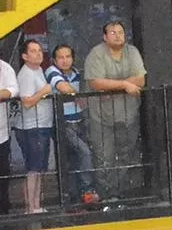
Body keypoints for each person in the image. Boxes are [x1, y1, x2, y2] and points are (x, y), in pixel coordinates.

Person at [83, 21, 147, 199]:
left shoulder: (132, 51)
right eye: (112, 32)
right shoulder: (96, 53)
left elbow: (141, 80)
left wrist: (112, 85)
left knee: (127, 155)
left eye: (120, 32)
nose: (118, 35)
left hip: (129, 115)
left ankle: (121, 194)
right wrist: (125, 84)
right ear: (104, 36)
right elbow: (96, 83)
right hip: (101, 117)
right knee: (104, 157)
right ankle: (106, 195)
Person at [45, 45, 99, 205]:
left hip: (79, 121)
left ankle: (74, 197)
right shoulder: (51, 71)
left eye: (68, 56)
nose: (65, 60)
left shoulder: (76, 73)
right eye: (60, 57)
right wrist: (77, 97)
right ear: (54, 60)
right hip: (63, 123)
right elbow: (64, 88)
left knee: (74, 160)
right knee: (84, 153)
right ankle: (86, 191)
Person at [13, 39, 53, 214]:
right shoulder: (26, 74)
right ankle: (31, 206)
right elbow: (27, 102)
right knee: (33, 168)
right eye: (33, 51)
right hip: (31, 127)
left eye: (39, 50)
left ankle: (36, 204)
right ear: (24, 56)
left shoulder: (39, 70)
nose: (38, 53)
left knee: (39, 168)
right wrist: (43, 92)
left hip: (42, 125)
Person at [0, 58, 16, 215]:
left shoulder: (4, 68)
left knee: (3, 171)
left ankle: (3, 208)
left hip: (1, 132)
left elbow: (13, 89)